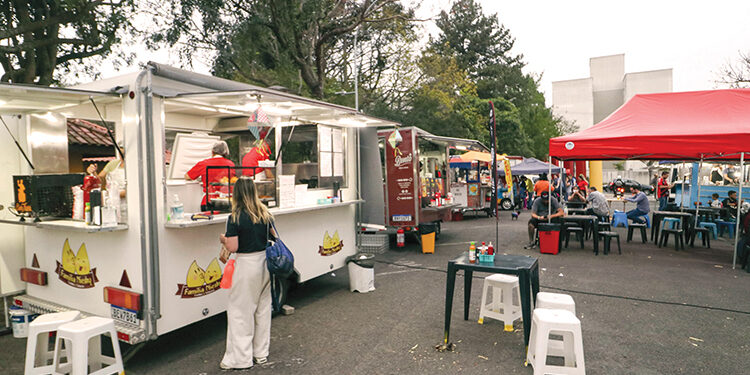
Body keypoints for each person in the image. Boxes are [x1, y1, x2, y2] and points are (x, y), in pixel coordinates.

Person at [219, 177, 274, 370]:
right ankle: (261, 353)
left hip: (246, 265)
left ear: (236, 194)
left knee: (240, 312)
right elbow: (273, 237)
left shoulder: (235, 217)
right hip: (265, 263)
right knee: (263, 309)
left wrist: (223, 239)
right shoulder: (265, 213)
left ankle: (241, 359)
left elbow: (233, 246)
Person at [186, 141, 236, 211]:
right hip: (227, 201)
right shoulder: (230, 164)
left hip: (209, 201)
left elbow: (187, 176)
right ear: (225, 153)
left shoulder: (204, 163)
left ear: (212, 152)